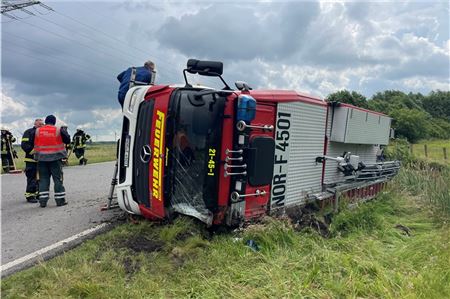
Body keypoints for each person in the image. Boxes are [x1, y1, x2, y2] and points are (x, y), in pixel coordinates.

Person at [34, 115, 71, 208]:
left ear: (45, 121)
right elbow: (67, 140)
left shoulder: (38, 130)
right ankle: (60, 200)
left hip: (41, 159)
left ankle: (42, 201)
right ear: (54, 122)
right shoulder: (58, 130)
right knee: (58, 179)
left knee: (43, 180)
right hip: (55, 158)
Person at [21, 118, 44, 203]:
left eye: (42, 124)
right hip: (31, 159)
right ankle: (30, 195)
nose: (41, 126)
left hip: (41, 159)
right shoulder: (28, 132)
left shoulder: (43, 133)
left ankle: (38, 193)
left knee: (40, 178)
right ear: (35, 124)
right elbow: (24, 145)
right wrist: (33, 153)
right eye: (39, 124)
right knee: (32, 178)